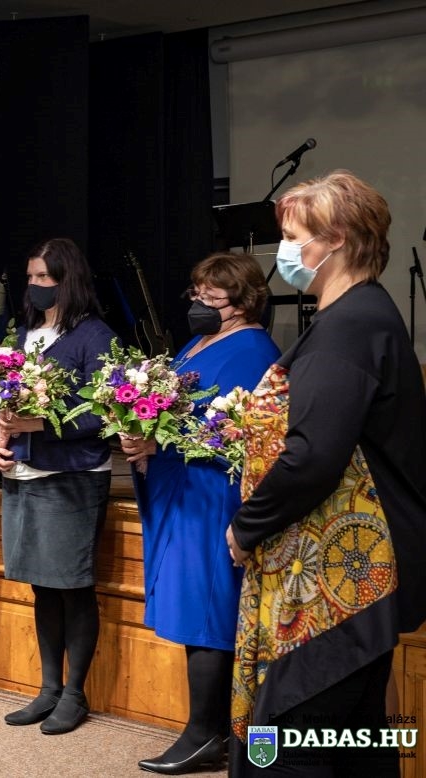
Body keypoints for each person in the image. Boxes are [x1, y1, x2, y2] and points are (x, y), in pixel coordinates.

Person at [225, 171, 426, 776]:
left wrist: (246, 527)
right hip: (356, 573)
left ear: (335, 239)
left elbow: (312, 454)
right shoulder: (362, 314)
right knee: (356, 741)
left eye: (293, 238)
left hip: (340, 583)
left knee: (291, 744)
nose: (283, 252)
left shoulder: (351, 326)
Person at [119, 253, 280, 774]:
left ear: (243, 300)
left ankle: (207, 734)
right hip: (181, 490)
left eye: (212, 295)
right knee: (194, 607)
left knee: (207, 609)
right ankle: (210, 729)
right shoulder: (197, 342)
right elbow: (170, 408)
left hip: (212, 496)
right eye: (197, 292)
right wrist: (141, 433)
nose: (199, 302)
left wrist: (161, 440)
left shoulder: (254, 349)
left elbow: (238, 430)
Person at [0, 237, 115, 735]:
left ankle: (75, 694)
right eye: (31, 277)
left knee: (72, 587)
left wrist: (42, 424)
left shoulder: (94, 335)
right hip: (23, 474)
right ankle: (48, 689)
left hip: (71, 478)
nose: (34, 285)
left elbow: (103, 410)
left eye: (44, 277)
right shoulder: (23, 335)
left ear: (67, 280)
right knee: (43, 586)